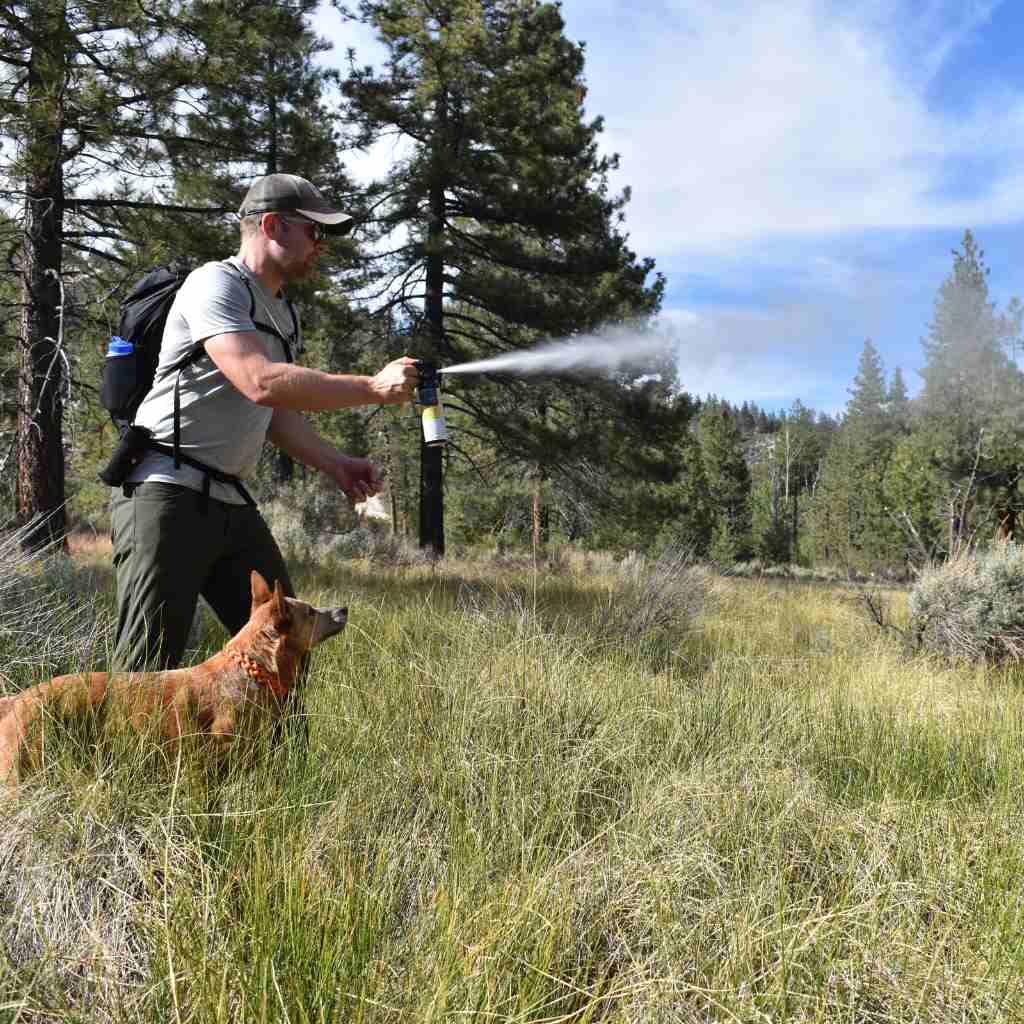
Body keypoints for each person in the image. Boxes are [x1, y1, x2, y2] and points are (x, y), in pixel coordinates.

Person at [110, 173, 418, 672]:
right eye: (314, 232)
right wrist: (371, 387)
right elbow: (259, 380)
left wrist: (334, 464)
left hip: (230, 500)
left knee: (287, 649)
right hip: (166, 491)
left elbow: (269, 411)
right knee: (147, 667)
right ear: (272, 225)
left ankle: (274, 753)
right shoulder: (215, 283)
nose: (321, 246)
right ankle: (121, 755)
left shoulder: (281, 312)